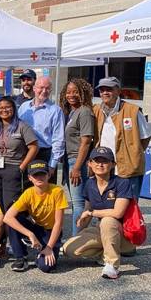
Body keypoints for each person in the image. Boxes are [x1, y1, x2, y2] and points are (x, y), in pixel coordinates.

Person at [62, 146, 135, 280]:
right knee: (69, 249)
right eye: (96, 160)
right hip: (101, 231)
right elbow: (87, 210)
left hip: (124, 234)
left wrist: (91, 213)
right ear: (89, 163)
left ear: (113, 164)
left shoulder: (122, 183)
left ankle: (112, 265)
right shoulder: (90, 184)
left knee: (108, 220)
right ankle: (104, 253)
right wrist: (80, 230)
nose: (100, 164)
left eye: (105, 161)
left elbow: (118, 213)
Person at [3, 161, 68, 273]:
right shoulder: (28, 193)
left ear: (48, 175)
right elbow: (7, 217)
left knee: (46, 267)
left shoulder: (57, 191)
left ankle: (42, 250)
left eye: (42, 174)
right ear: (30, 178)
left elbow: (58, 223)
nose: (39, 177)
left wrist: (49, 247)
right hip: (36, 228)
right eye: (35, 175)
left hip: (51, 231)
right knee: (13, 221)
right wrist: (30, 234)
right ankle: (20, 257)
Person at [93, 76, 151, 201]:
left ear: (118, 91)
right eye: (102, 90)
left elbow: (145, 137)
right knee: (106, 204)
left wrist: (133, 152)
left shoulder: (133, 110)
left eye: (109, 89)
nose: (105, 93)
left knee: (130, 206)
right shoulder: (96, 110)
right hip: (104, 167)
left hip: (128, 168)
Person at [0, 97, 38, 220]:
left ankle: (13, 235)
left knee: (11, 204)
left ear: (14, 109)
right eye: (1, 108)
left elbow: (34, 148)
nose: (4, 110)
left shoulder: (22, 126)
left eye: (8, 107)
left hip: (13, 168)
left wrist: (22, 166)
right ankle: (0, 235)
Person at [59, 78, 95, 235]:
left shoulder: (85, 111)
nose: (71, 95)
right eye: (68, 92)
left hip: (77, 160)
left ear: (83, 93)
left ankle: (76, 241)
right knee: (76, 203)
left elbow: (86, 141)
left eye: (75, 91)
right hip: (69, 161)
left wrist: (77, 167)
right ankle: (80, 238)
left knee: (79, 203)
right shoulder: (71, 112)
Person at [17, 76, 65, 182]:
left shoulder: (55, 111)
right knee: (25, 191)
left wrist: (52, 165)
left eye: (47, 88)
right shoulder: (23, 107)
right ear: (34, 88)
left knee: (45, 192)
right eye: (41, 87)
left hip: (44, 155)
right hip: (25, 154)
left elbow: (58, 140)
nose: (44, 91)